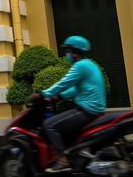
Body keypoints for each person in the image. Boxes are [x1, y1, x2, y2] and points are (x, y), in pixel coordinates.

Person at [40, 35, 106, 172]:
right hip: (94, 109)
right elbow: (76, 88)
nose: (67, 55)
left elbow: (64, 83)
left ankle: (62, 160)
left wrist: (43, 94)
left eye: (68, 51)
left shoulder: (80, 66)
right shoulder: (89, 64)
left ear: (74, 53)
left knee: (49, 125)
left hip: (87, 110)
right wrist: (60, 97)